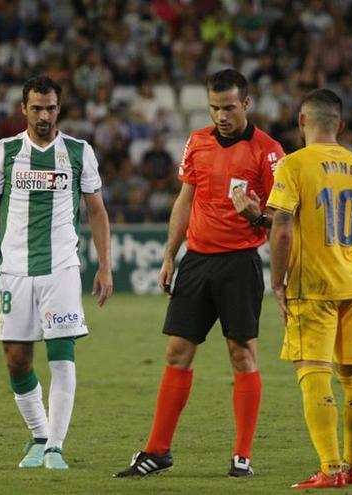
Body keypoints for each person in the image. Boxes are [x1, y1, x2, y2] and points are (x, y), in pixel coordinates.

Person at [114, 69, 284, 478]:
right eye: (214, 107)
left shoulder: (269, 151)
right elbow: (184, 199)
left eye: (228, 107)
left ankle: (242, 455)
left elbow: (282, 220)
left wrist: (258, 216)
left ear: (246, 103)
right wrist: (170, 254)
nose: (221, 115)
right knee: (177, 352)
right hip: (197, 259)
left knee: (242, 354)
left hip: (240, 263)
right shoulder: (198, 142)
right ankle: (157, 451)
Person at [0, 76, 113, 470]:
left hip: (62, 267)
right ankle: (38, 435)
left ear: (59, 109)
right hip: (14, 269)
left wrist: (105, 264)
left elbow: (97, 211)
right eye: (37, 108)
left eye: (51, 108)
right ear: (24, 109)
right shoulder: (5, 151)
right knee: (16, 359)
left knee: (61, 354)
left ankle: (55, 446)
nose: (44, 115)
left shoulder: (80, 152)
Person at [266, 89, 352, 489]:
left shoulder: (293, 165)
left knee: (313, 373)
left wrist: (277, 282)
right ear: (341, 125)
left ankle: (330, 469)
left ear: (301, 121)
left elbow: (281, 228)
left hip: (311, 285)